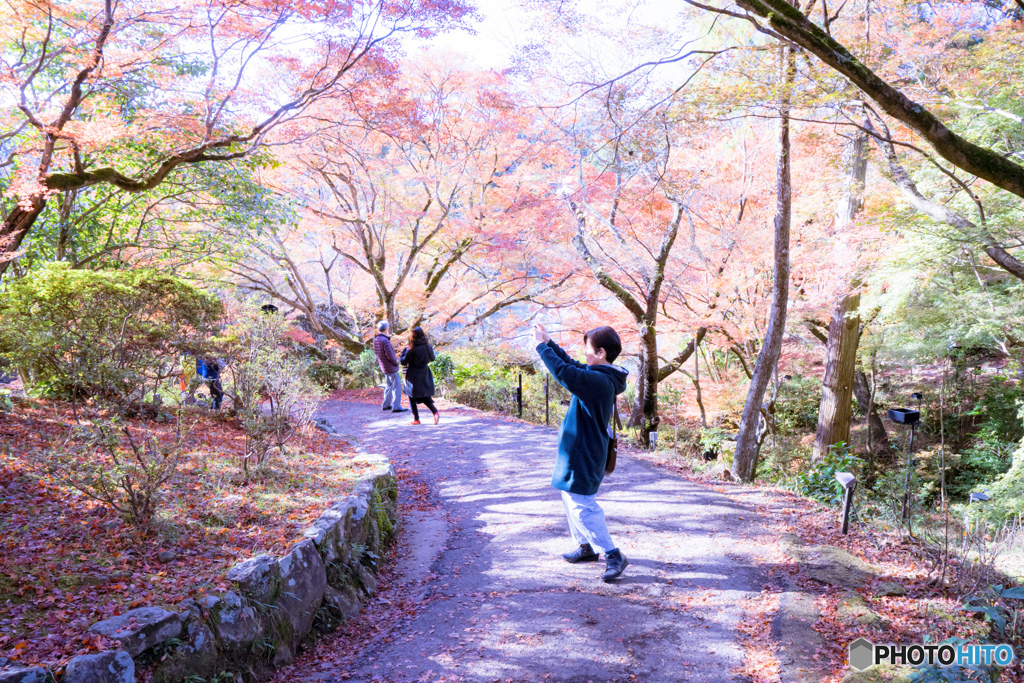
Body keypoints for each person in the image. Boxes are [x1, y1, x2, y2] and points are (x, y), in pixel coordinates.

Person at [534, 322, 630, 582]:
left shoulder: (598, 381)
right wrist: (550, 342)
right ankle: (585, 548)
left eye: (588, 349)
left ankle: (613, 555)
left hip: (583, 453)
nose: (584, 354)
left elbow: (565, 372)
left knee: (582, 506)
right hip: (578, 450)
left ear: (601, 353)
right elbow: (572, 364)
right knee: (569, 498)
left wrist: (541, 347)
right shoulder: (601, 374)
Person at [400, 326, 440, 426]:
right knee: (425, 396)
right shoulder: (428, 346)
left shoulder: (411, 348)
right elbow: (432, 358)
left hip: (413, 375)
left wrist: (404, 351)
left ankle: (416, 419)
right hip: (425, 372)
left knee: (411, 395)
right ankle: (435, 412)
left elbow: (403, 361)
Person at [373, 321, 406, 413]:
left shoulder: (376, 340)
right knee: (396, 386)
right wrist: (396, 362)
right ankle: (396, 406)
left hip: (384, 366)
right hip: (390, 367)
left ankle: (386, 404)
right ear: (386, 329)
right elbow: (390, 355)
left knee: (388, 385)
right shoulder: (385, 341)